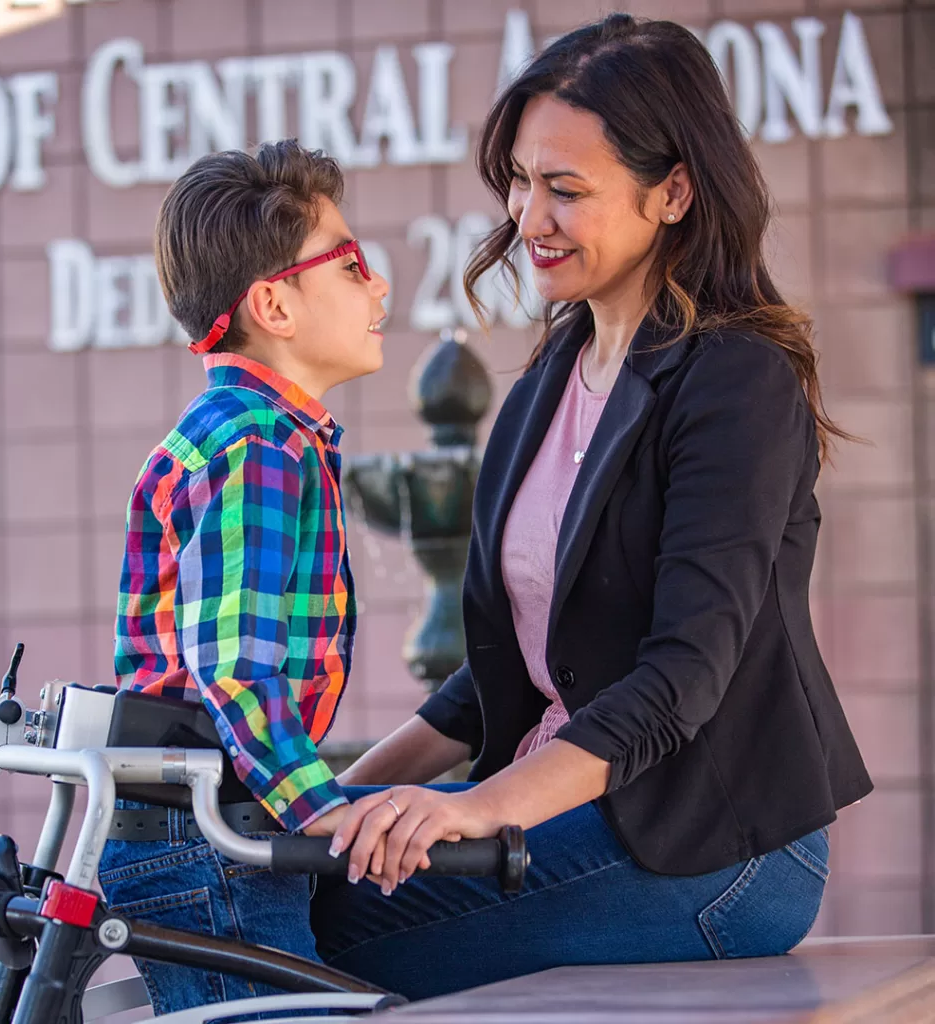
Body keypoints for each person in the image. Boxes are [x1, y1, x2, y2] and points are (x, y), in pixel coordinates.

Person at [310, 14, 873, 1000]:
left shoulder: (736, 380)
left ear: (673, 192)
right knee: (278, 875)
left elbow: (681, 678)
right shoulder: (545, 383)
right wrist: (322, 799)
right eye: (520, 182)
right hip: (567, 808)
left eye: (565, 190)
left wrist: (478, 808)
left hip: (711, 848)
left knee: (316, 923)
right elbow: (491, 685)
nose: (529, 219)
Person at [97, 141, 389, 1016]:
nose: (379, 289)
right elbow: (232, 666)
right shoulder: (258, 445)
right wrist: (323, 811)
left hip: (202, 825)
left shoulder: (245, 431)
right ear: (273, 303)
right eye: (353, 266)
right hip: (206, 835)